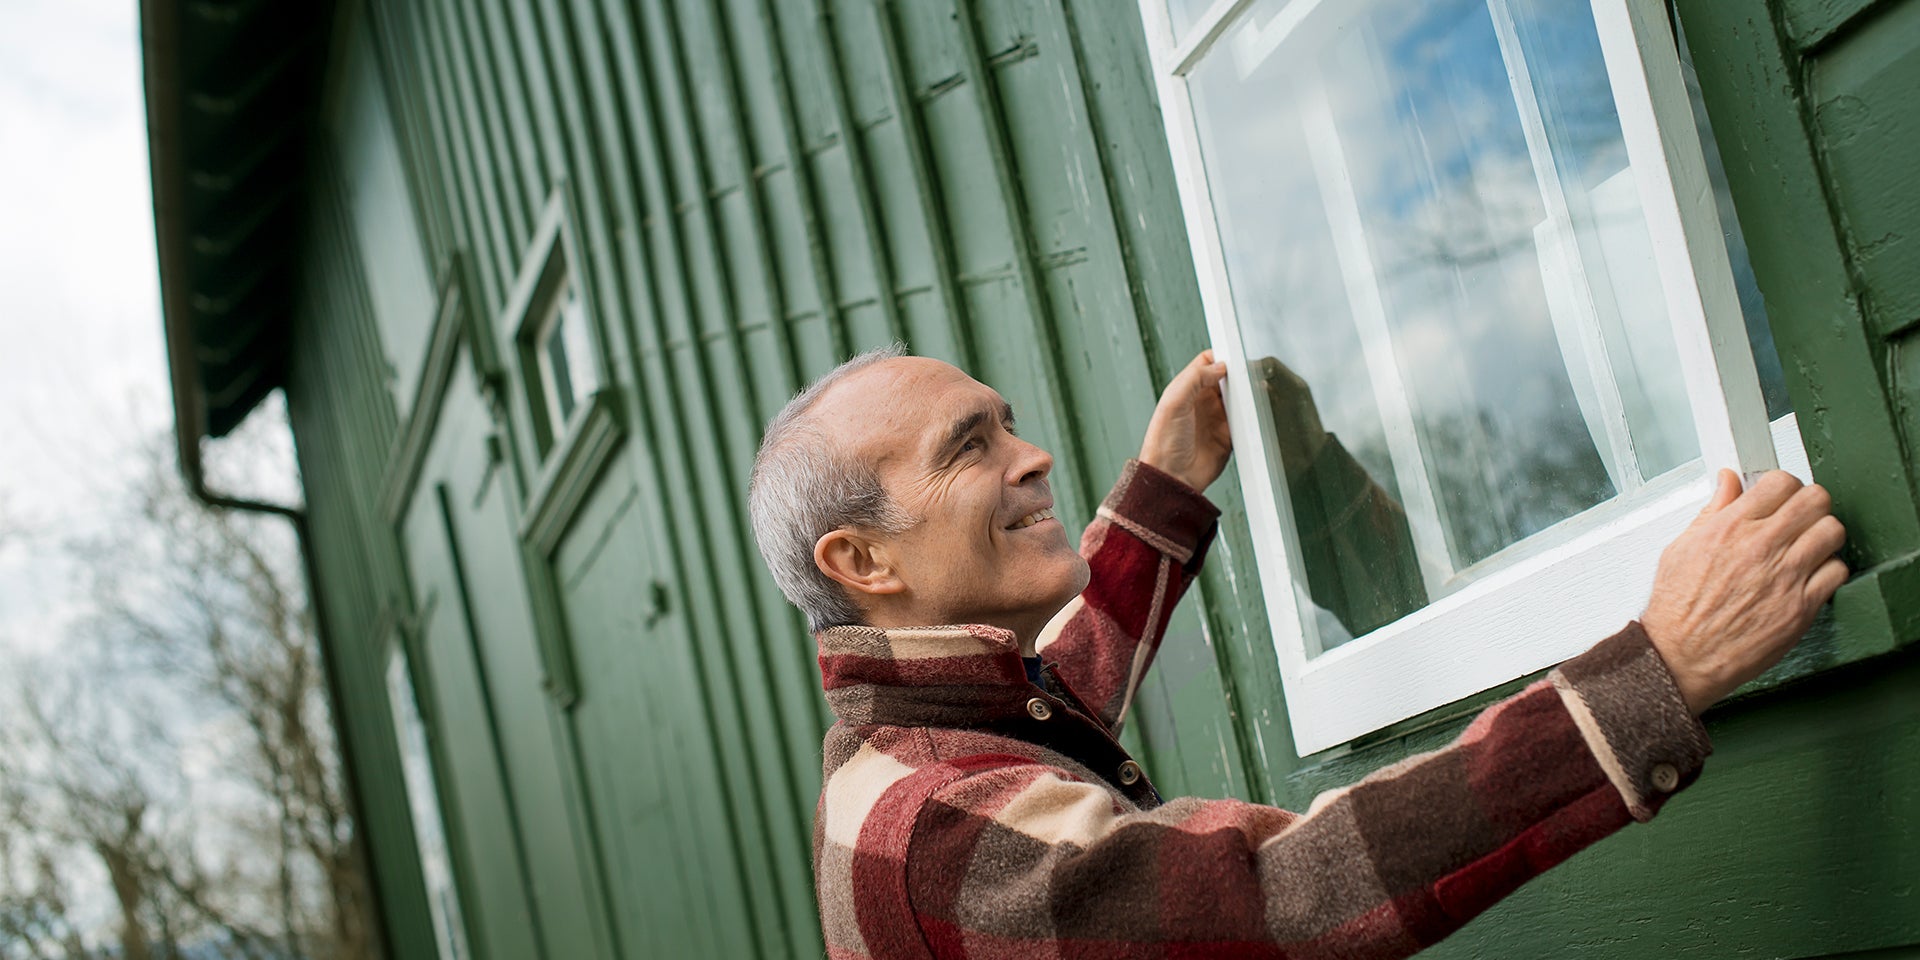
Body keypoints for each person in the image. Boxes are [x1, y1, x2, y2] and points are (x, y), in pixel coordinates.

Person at [746, 345, 1847, 959]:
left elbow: (1059, 694)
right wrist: (1654, 672)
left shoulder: (925, 740)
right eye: (971, 447)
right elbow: (1279, 899)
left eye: (1008, 420)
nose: (1033, 456)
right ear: (864, 562)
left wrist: (1164, 493)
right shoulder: (930, 826)